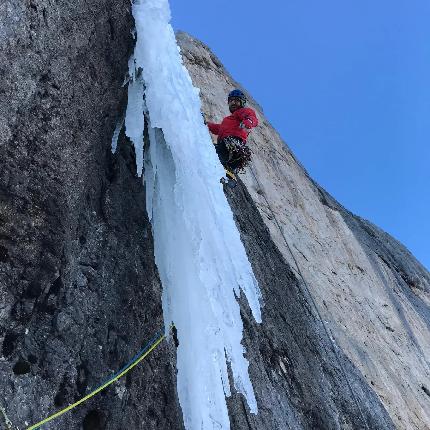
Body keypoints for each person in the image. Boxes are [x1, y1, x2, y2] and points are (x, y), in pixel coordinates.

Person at [205, 89, 258, 173]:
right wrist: (207, 125)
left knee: (207, 151)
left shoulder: (243, 111)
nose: (233, 102)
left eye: (236, 100)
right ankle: (227, 172)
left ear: (242, 103)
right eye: (231, 100)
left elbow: (251, 117)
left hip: (230, 146)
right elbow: (219, 129)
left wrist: (248, 122)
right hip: (230, 151)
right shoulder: (230, 120)